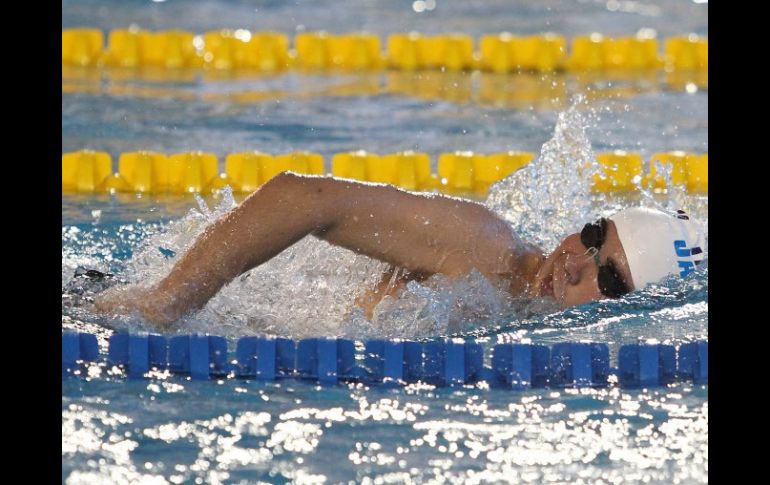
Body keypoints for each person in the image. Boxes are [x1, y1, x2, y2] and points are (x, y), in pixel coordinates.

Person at [94, 172, 706, 326]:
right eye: (595, 236)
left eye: (611, 278)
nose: (574, 261)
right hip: (116, 310)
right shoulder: (482, 247)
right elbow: (301, 197)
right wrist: (167, 301)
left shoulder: (515, 316)